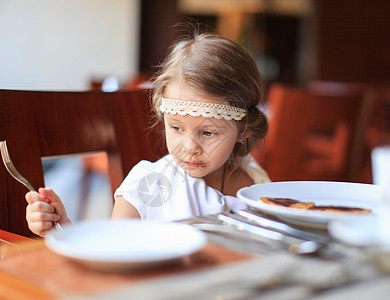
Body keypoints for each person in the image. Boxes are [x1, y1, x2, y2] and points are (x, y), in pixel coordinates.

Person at [25, 32, 270, 237]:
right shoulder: (147, 186)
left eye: (208, 132)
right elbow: (111, 257)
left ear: (244, 129)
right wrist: (60, 226)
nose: (190, 146)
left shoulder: (254, 181)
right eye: (176, 128)